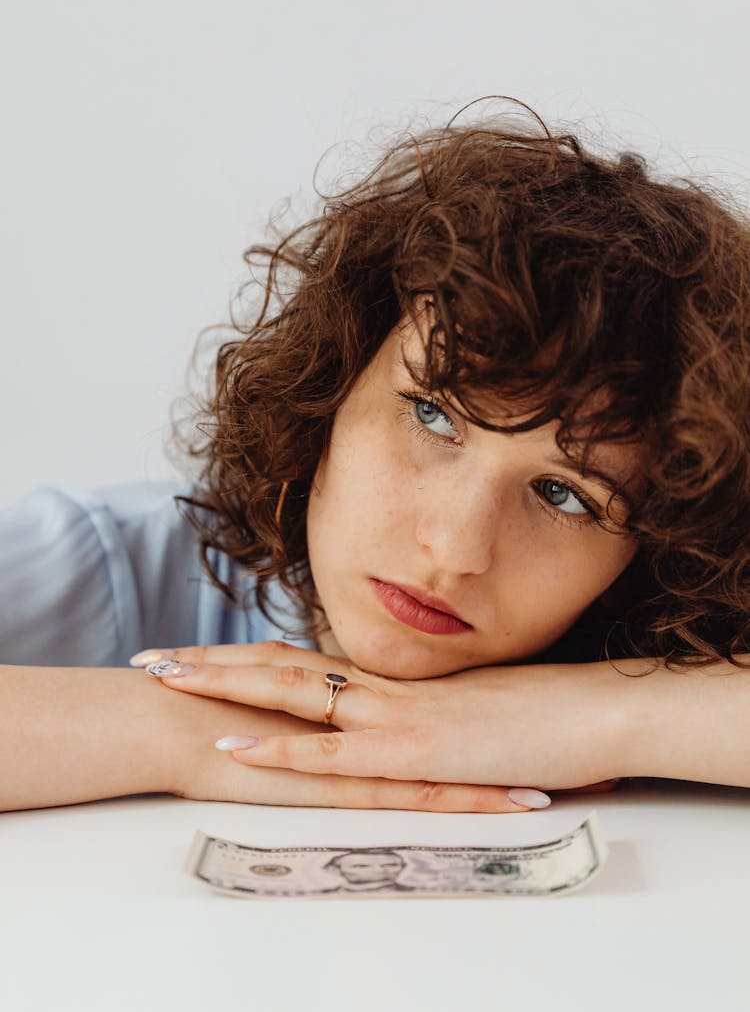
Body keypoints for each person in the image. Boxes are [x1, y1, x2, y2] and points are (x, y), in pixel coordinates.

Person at [2, 96, 750, 816]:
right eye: (433, 414)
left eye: (565, 495)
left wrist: (595, 717)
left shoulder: (674, 641)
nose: (455, 549)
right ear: (331, 383)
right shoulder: (117, 561)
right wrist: (186, 732)